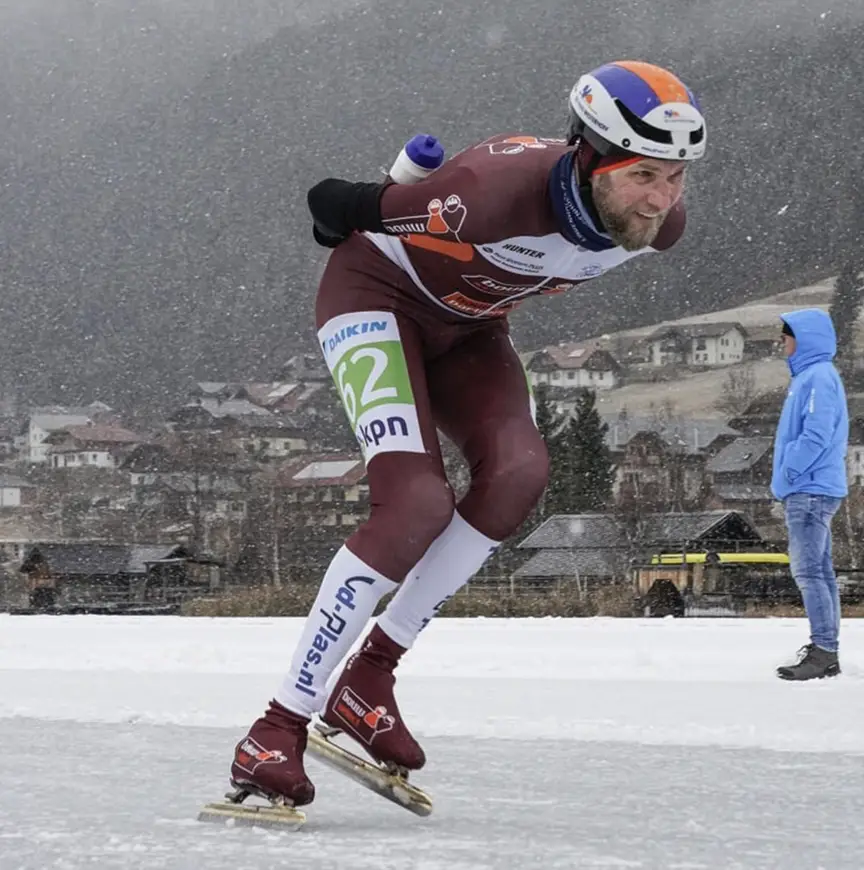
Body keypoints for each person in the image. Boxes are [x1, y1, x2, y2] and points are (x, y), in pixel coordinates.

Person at [228, 60, 708, 806]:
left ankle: (371, 677)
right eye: (646, 175)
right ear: (590, 160)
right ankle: (275, 727)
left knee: (519, 472)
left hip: (468, 328)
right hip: (373, 299)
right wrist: (339, 220)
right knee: (416, 502)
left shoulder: (658, 227)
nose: (661, 200)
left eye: (677, 178)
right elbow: (335, 204)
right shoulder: (484, 195)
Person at [772, 309, 849, 681]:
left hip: (809, 489)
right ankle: (826, 650)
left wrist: (788, 472)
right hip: (812, 487)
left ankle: (823, 651)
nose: (781, 343)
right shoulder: (812, 377)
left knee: (809, 572)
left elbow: (816, 435)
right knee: (820, 572)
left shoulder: (817, 377)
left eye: (786, 337)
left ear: (802, 339)